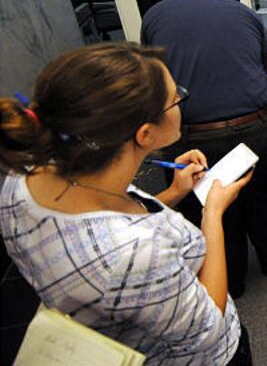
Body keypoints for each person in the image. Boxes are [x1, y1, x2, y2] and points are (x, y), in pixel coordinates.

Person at [0, 42, 253, 364]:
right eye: (175, 97)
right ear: (145, 134)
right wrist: (213, 212)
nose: (179, 101)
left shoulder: (22, 179)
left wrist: (173, 194)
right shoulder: (133, 255)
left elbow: (114, 224)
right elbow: (208, 327)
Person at [140, 0, 267, 299]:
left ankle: (230, 281)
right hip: (258, 132)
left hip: (193, 141)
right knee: (264, 201)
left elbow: (156, 82)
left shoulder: (155, 16)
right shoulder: (245, 13)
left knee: (210, 214)